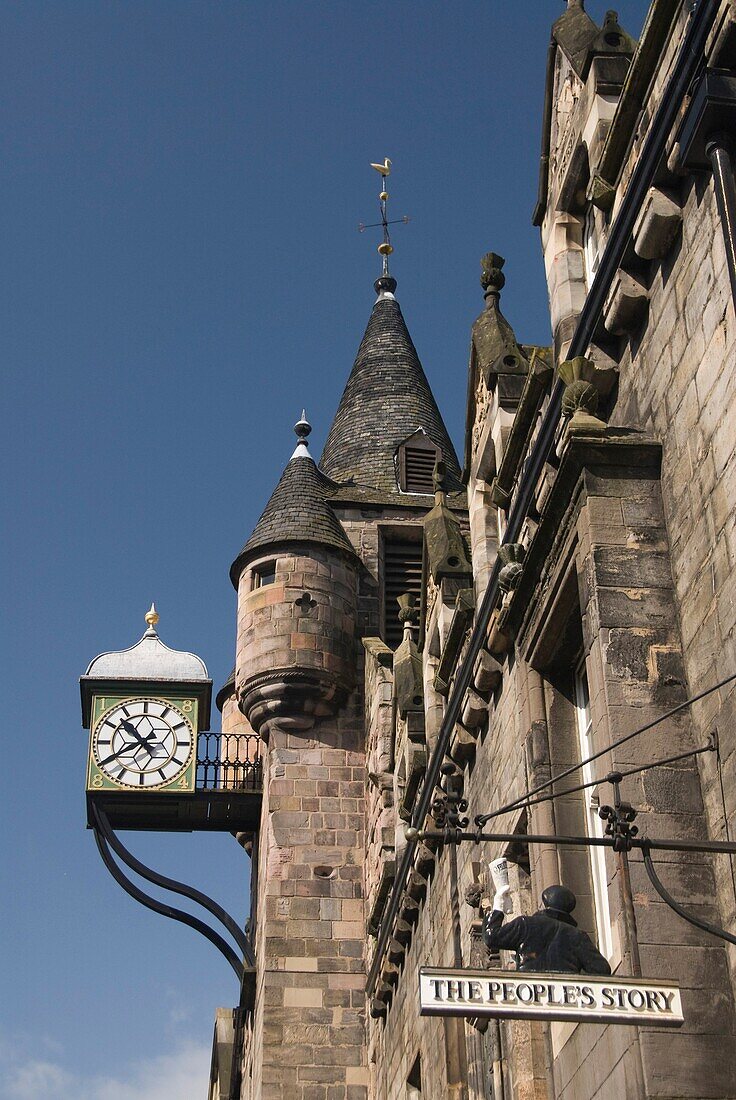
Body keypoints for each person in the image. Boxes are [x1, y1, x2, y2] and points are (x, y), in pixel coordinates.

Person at [482, 883, 611, 975]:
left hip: (529, 995)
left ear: (545, 903)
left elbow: (491, 936)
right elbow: (602, 969)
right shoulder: (577, 936)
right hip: (565, 1001)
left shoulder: (526, 924)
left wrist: (498, 905)